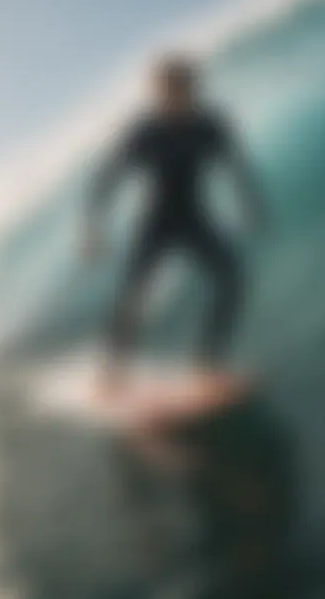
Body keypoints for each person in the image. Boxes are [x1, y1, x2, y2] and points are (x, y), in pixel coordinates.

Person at [84, 54, 266, 382]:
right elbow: (106, 179)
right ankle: (113, 369)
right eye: (166, 91)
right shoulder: (145, 132)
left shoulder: (210, 125)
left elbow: (236, 165)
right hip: (155, 223)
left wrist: (251, 203)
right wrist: (93, 228)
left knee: (231, 278)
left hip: (194, 218)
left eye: (182, 88)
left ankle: (206, 361)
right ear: (158, 94)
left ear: (193, 88)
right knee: (134, 295)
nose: (174, 96)